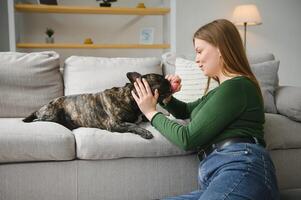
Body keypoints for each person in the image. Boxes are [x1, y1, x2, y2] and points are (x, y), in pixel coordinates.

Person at [131, 19, 280, 200]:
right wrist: (167, 96)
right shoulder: (220, 92)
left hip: (241, 167)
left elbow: (187, 138)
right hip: (222, 173)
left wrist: (150, 112)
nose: (197, 60)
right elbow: (185, 111)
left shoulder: (237, 88)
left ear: (221, 48)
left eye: (200, 51)